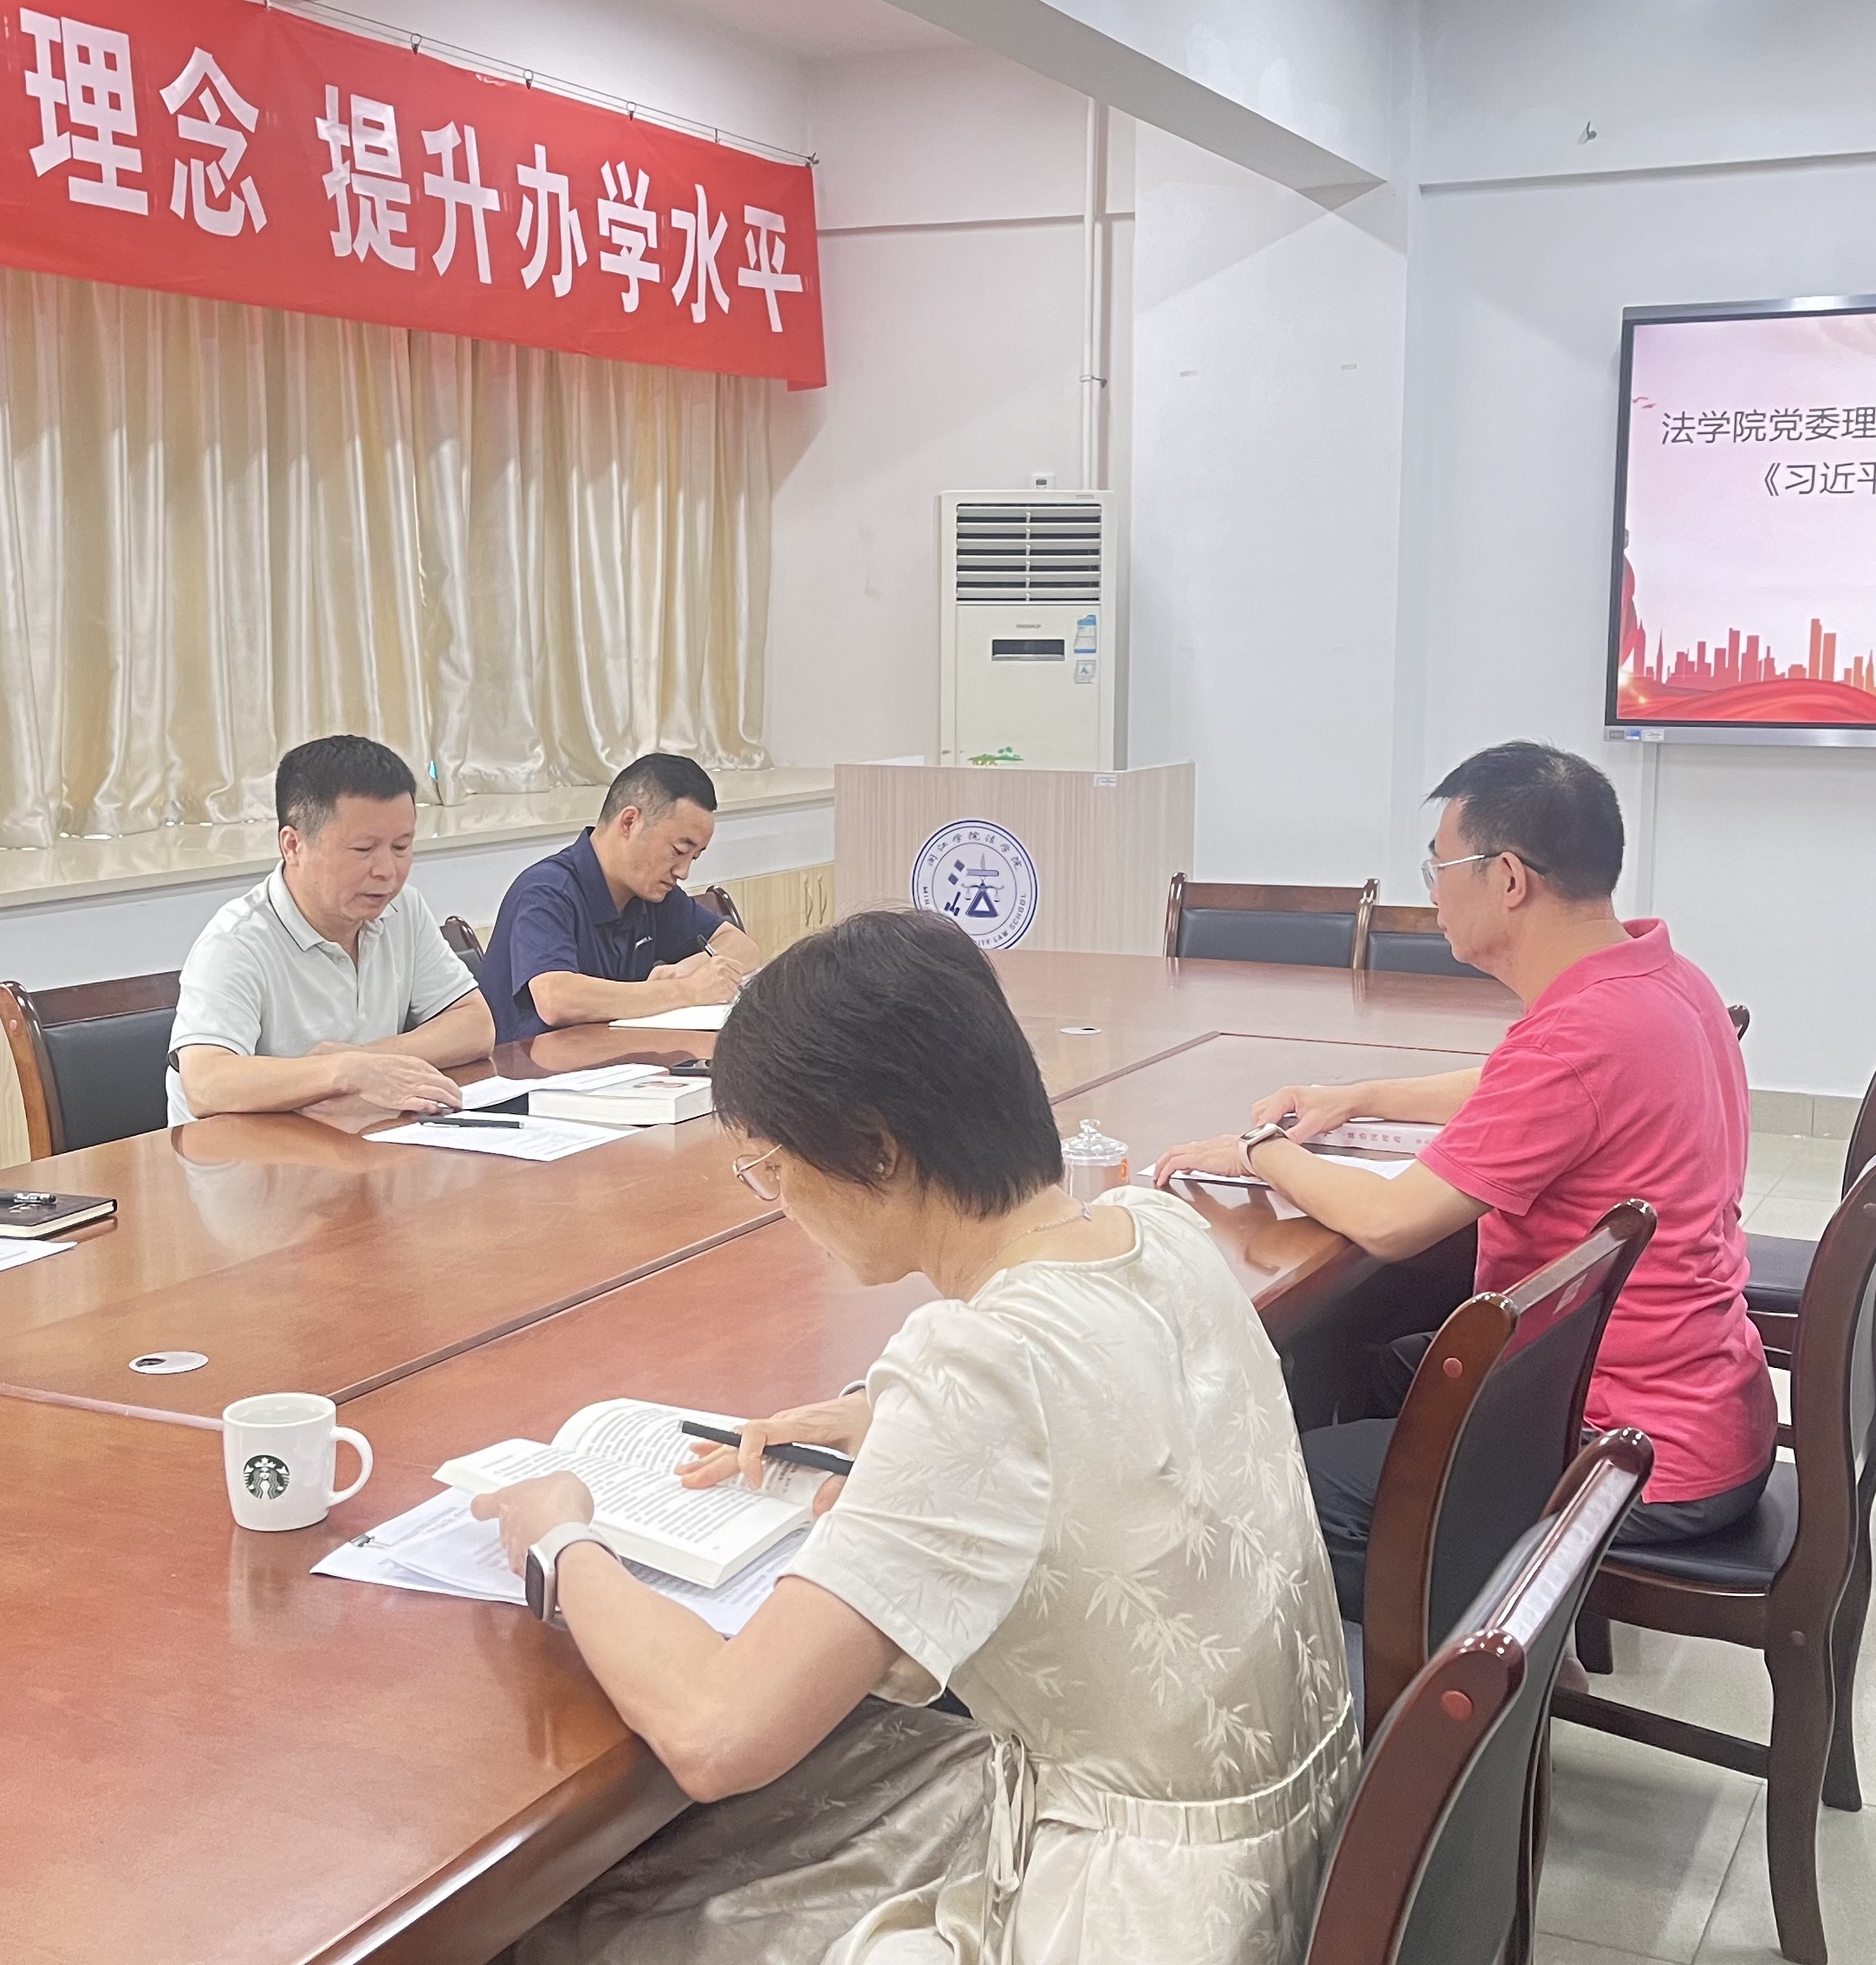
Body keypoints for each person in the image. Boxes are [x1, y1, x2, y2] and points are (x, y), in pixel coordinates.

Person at [477, 909, 1356, 1965]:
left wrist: (562, 1536)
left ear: (879, 1150)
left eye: (770, 1166)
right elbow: (1121, 1413)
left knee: (590, 1927)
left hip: (1132, 1914)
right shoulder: (1159, 1228)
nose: (776, 1202)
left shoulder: (974, 1368)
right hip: (1302, 1849)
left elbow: (717, 1734)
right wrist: (883, 1421)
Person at [1152, 742, 1773, 1610]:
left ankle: (1461, 1651)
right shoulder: (1660, 979)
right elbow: (1518, 1085)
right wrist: (1362, 1097)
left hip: (1621, 1450)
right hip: (1695, 1403)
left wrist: (1260, 1153)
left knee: (1265, 1490)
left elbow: (1392, 1222)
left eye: (1438, 869)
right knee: (1357, 1361)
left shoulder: (1579, 1036)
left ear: (1508, 879)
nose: (1432, 894)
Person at [168, 735, 494, 1126]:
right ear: (293, 845)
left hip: (356, 1141)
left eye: (401, 847)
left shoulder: (401, 908)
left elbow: (474, 1024)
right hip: (241, 1156)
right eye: (363, 849)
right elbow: (206, 1083)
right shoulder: (235, 942)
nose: (387, 871)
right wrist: (344, 1073)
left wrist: (365, 1063)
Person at [480, 753, 763, 1045]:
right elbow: (556, 998)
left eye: (694, 857)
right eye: (678, 851)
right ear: (629, 822)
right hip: (530, 1068)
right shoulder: (546, 891)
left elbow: (742, 947)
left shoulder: (651, 893)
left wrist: (687, 970)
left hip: (617, 1060)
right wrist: (686, 991)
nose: (683, 872)